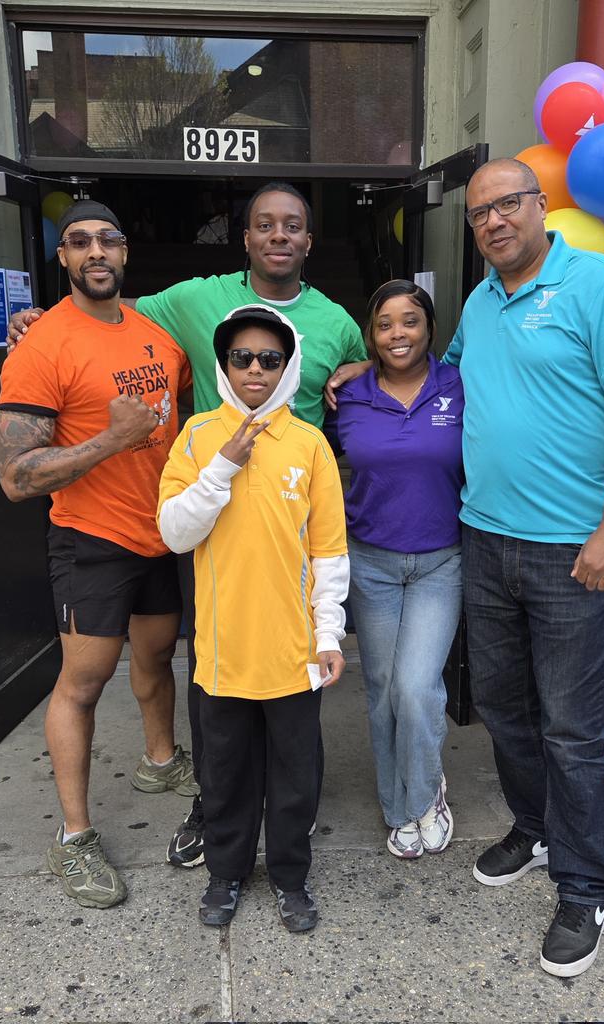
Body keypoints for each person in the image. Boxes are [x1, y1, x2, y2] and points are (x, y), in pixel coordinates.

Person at [7, 183, 369, 870]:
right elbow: (104, 311)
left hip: (273, 528)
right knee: (204, 673)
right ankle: (185, 811)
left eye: (293, 225)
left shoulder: (335, 321)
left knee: (257, 669)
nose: (279, 236)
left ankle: (272, 805)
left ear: (309, 240)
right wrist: (39, 320)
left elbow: (381, 365)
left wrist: (363, 363)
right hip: (196, 523)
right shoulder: (193, 301)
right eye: (265, 225)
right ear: (246, 238)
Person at [447, 158, 604, 977]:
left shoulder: (598, 285)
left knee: (572, 729)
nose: (494, 221)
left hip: (575, 551)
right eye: (479, 213)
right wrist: (368, 370)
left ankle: (585, 889)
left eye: (508, 204)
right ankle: (535, 829)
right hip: (485, 540)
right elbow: (448, 374)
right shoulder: (480, 301)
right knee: (504, 707)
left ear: (541, 207)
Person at [0, 200, 195, 909]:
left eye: (107, 239)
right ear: (64, 258)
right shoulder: (42, 345)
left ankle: (161, 761)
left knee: (158, 657)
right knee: (84, 682)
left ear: (125, 251)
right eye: (79, 242)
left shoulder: (156, 336)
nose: (95, 252)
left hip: (160, 534)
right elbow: (15, 477)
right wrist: (110, 440)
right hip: (92, 540)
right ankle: (74, 837)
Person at [157, 305, 348, 933]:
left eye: (270, 358)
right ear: (224, 365)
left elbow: (328, 551)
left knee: (295, 777)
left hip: (293, 651)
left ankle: (291, 877)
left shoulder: (309, 443)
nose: (256, 370)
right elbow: (174, 532)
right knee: (225, 773)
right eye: (242, 358)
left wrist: (329, 633)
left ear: (288, 366)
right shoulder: (196, 436)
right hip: (222, 651)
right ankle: (226, 873)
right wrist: (223, 466)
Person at [326, 280, 464, 860]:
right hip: (371, 560)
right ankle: (397, 805)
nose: (397, 334)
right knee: (382, 689)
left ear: (430, 328)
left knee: (416, 686)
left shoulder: (458, 384)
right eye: (384, 324)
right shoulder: (349, 396)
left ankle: (427, 796)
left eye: (410, 321)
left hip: (441, 560)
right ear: (371, 335)